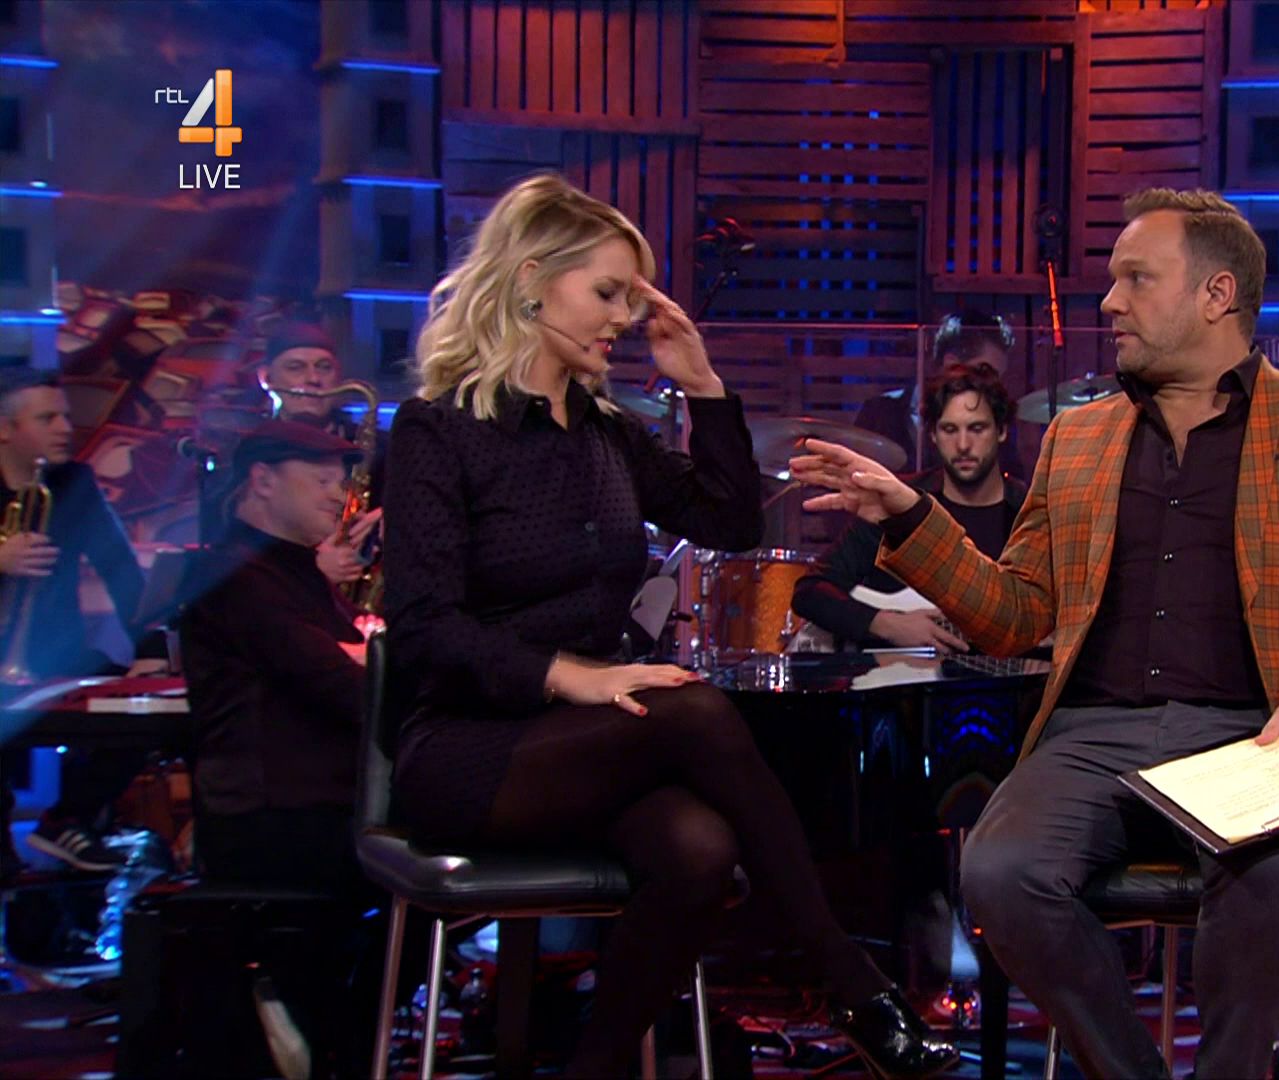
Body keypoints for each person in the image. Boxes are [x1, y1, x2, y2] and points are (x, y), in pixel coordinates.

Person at [793, 187, 1279, 1079]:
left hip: (1254, 733)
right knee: (1000, 872)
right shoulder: (1078, 438)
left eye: (1137, 278)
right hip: (1094, 736)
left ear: (1216, 294)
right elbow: (1016, 615)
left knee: (1261, 885)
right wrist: (909, 516)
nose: (1110, 301)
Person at [380, 174, 956, 1079]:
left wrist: (703, 386)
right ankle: (854, 987)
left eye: (630, 298)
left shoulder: (607, 434)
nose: (622, 318)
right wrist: (576, 676)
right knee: (690, 708)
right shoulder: (437, 430)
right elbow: (423, 630)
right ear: (532, 281)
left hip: (595, 743)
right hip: (469, 749)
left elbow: (728, 522)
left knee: (701, 853)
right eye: (607, 293)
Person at [178, 419, 376, 1079]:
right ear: (261, 481)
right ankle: (324, 1024)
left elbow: (352, 671)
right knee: (443, 862)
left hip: (318, 808)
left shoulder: (294, 574)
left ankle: (329, 1024)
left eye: (340, 480)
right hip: (275, 818)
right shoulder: (235, 575)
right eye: (320, 479)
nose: (338, 494)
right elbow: (340, 686)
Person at [0, 370, 159, 876]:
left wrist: (150, 651)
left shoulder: (74, 483)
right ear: (5, 429)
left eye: (65, 416)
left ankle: (68, 819)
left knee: (149, 708)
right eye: (47, 418)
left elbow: (121, 570)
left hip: (58, 652)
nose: (65, 428)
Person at [793, 362, 1027, 651]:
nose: (963, 444)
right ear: (933, 435)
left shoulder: (1027, 512)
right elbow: (810, 592)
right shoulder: (899, 501)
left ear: (1002, 431)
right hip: (898, 677)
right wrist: (886, 624)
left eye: (977, 428)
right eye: (949, 430)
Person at [254, 322, 384, 591]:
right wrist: (312, 570)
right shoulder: (247, 450)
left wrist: (394, 517)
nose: (313, 379)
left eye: (324, 368)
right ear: (267, 378)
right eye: (295, 367)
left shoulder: (381, 447)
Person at [855, 310, 1024, 477]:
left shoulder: (995, 423)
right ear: (951, 364)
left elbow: (1013, 477)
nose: (993, 384)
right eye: (985, 372)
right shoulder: (878, 412)